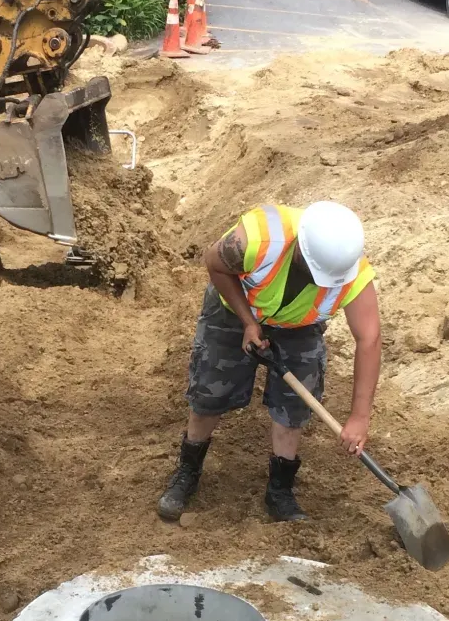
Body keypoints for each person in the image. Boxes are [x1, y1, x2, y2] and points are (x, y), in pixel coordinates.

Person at [158, 200, 381, 522]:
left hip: (299, 324)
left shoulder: (349, 268)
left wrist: (360, 417)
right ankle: (187, 471)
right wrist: (249, 322)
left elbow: (369, 338)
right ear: (300, 248)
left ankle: (280, 491)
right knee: (211, 393)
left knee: (294, 405)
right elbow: (214, 263)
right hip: (234, 310)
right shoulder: (258, 239)